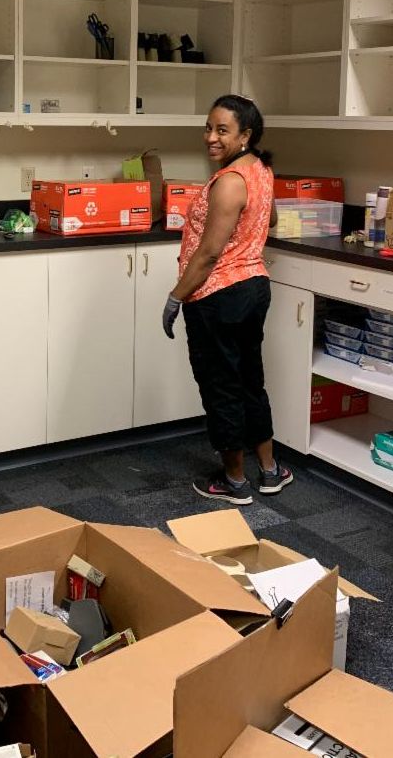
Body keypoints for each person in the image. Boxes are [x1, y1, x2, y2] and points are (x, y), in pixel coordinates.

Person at [162, 94, 292, 506]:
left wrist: (175, 297)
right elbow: (267, 218)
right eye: (208, 128)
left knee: (221, 386)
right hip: (254, 287)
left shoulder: (230, 182)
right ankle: (270, 471)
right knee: (250, 378)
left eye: (222, 130)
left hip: (218, 294)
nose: (211, 138)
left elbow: (209, 253)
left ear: (245, 135)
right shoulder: (260, 170)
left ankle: (234, 479)